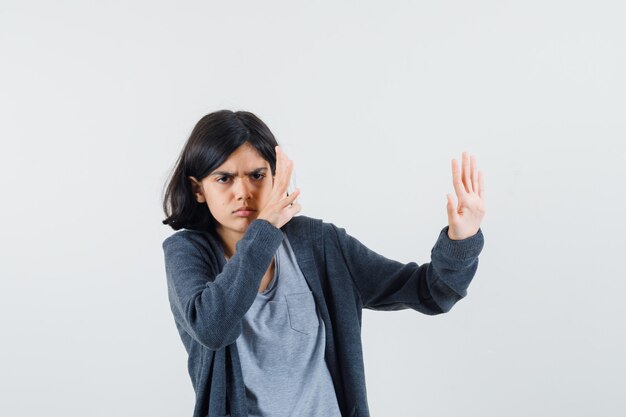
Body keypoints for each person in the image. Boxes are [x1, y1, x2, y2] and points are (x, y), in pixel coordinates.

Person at [161, 109, 486, 417]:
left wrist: (461, 240)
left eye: (257, 175)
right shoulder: (186, 252)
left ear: (276, 176)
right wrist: (265, 230)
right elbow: (213, 326)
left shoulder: (319, 244)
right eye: (224, 178)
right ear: (198, 189)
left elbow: (429, 292)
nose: (243, 192)